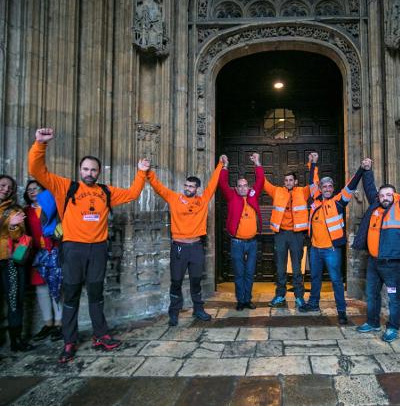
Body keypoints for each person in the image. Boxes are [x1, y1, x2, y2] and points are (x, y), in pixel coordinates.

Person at [28, 127, 150, 363]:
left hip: (98, 249)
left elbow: (133, 194)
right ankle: (69, 341)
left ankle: (100, 335)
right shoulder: (67, 187)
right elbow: (36, 170)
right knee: (71, 294)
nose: (89, 173)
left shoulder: (105, 191)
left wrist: (142, 172)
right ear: (80, 170)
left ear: (99, 172)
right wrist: (40, 144)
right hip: (73, 248)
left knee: (96, 293)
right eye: (86, 169)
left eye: (93, 170)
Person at [146, 157, 223, 326]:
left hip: (196, 246)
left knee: (196, 280)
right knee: (176, 281)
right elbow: (158, 187)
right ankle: (174, 312)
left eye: (191, 186)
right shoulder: (174, 198)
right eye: (186, 185)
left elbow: (212, 185)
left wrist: (220, 165)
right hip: (179, 247)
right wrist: (148, 171)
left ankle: (198, 309)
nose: (187, 188)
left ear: (197, 189)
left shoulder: (202, 201)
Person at [352, 157, 400, 342]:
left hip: (392, 264)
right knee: (372, 294)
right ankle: (373, 322)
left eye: (388, 195)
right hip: (374, 261)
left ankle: (392, 327)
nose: (384, 198)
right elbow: (370, 188)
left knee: (393, 297)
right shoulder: (375, 206)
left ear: (394, 195)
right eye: (382, 195)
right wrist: (367, 170)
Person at [298, 153, 365, 325]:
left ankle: (341, 312)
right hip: (315, 248)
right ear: (320, 188)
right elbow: (313, 179)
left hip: (331, 250)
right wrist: (314, 163)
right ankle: (313, 303)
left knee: (335, 280)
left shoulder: (338, 202)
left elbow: (350, 186)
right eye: (324, 186)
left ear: (333, 188)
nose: (326, 188)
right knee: (315, 277)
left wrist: (361, 169)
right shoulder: (316, 199)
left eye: (329, 186)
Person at [264, 154, 317, 309]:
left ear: (295, 181)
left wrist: (312, 164)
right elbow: (263, 183)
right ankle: (280, 295)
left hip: (296, 235)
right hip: (280, 234)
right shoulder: (277, 191)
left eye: (290, 180)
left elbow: (314, 183)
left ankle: (299, 297)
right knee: (280, 268)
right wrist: (257, 164)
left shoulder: (303, 191)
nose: (288, 182)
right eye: (286, 180)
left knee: (296, 268)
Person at [218, 153, 264, 311]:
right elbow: (222, 183)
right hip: (237, 242)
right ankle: (240, 300)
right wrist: (225, 166)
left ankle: (248, 299)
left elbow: (260, 182)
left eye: (246, 185)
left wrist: (257, 163)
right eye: (240, 186)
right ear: (236, 188)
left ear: (248, 187)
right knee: (239, 274)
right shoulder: (232, 196)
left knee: (250, 273)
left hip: (252, 242)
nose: (243, 188)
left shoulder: (253, 195)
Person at [23, 180, 63, 341]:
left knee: (56, 287)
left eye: (36, 188)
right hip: (37, 254)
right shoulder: (25, 211)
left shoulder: (52, 207)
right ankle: (48, 323)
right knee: (41, 288)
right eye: (30, 190)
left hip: (53, 250)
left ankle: (60, 323)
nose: (33, 191)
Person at [0, 174, 33, 352]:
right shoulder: (9, 215)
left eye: (9, 188)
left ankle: (16, 339)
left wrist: (13, 227)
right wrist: (7, 222)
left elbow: (19, 236)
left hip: (10, 261)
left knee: (14, 300)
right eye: (3, 185)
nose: (6, 189)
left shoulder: (15, 209)